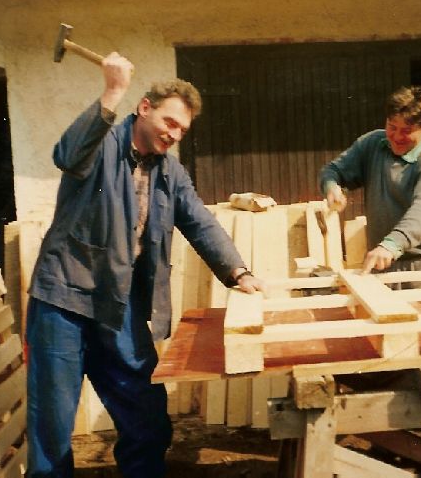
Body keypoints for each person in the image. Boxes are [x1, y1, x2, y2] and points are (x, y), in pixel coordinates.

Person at [25, 52, 266, 478]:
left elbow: (200, 221)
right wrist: (112, 89)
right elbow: (66, 154)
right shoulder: (100, 145)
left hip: (119, 305)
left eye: (182, 129)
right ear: (144, 108)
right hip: (63, 301)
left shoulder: (170, 172)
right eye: (169, 122)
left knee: (147, 414)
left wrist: (238, 272)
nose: (174, 134)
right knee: (53, 425)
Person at [319, 85, 421, 278]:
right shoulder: (373, 143)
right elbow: (333, 170)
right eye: (392, 127)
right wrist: (331, 186)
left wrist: (392, 245)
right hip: (379, 260)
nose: (396, 137)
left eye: (406, 131)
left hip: (419, 264)